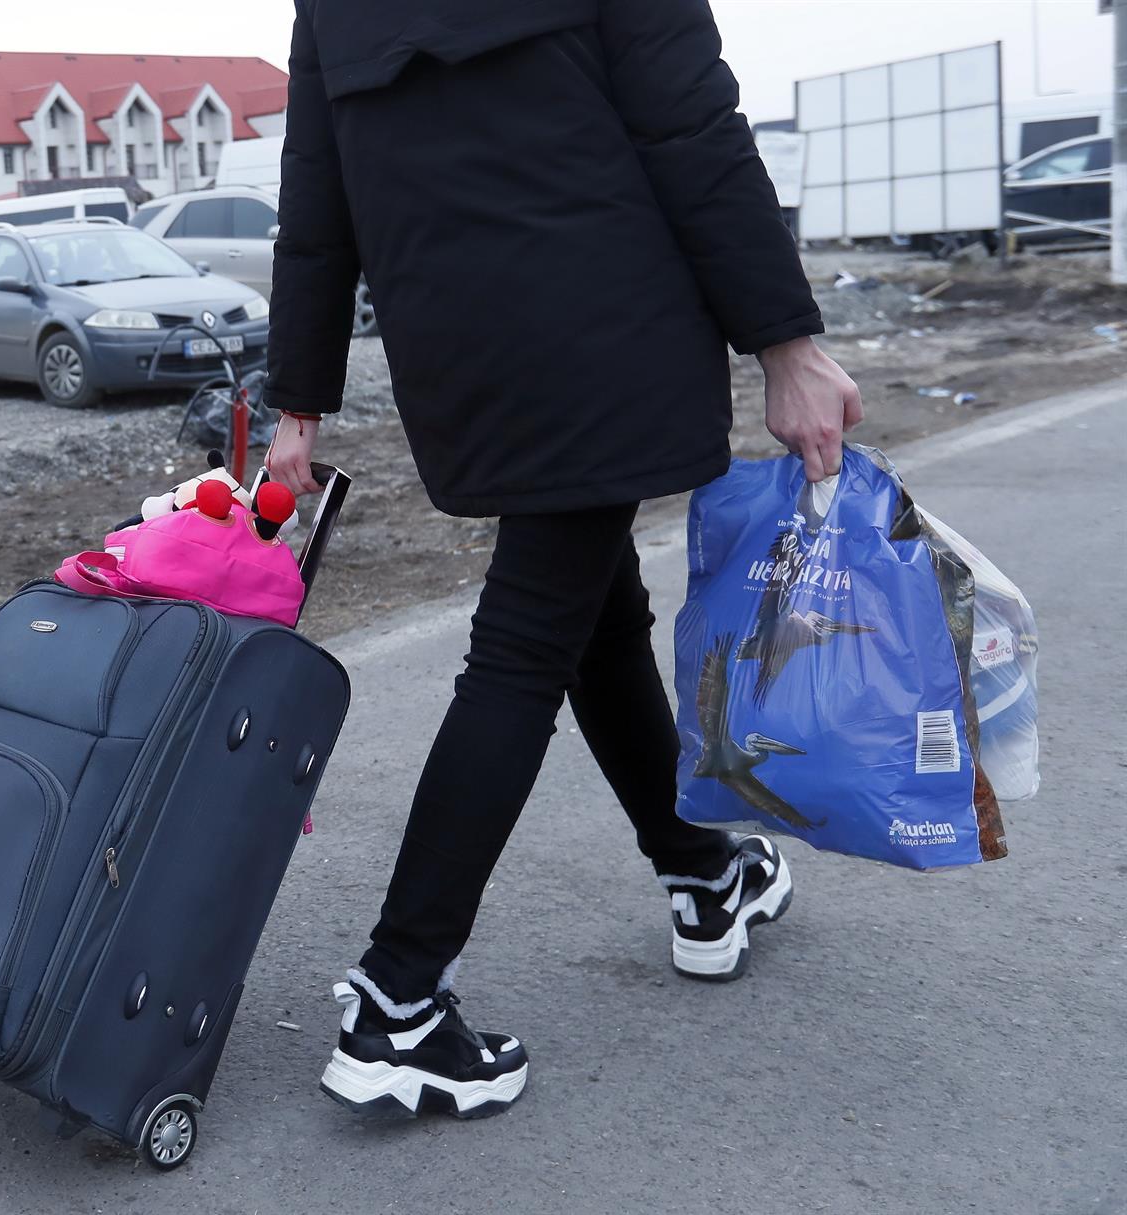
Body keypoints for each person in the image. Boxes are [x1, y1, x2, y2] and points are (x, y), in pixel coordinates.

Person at [263, 0, 863, 1119]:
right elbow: (690, 127)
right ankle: (398, 1000)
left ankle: (700, 872)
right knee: (527, 642)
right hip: (608, 327)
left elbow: (317, 194)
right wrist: (788, 342)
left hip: (463, 353)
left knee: (592, 608)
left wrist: (297, 408)